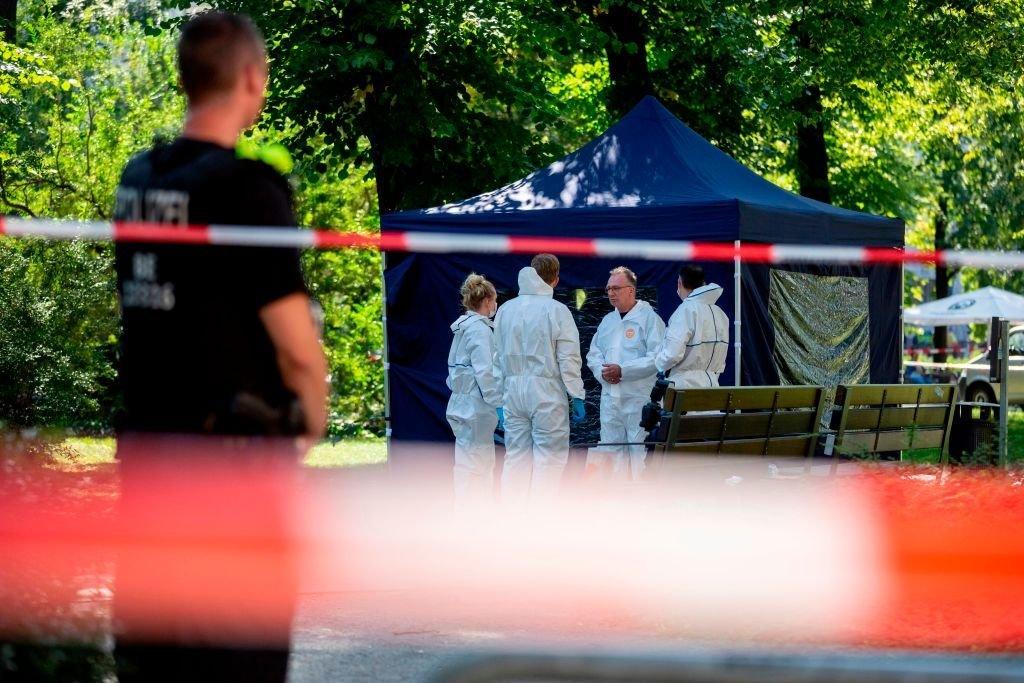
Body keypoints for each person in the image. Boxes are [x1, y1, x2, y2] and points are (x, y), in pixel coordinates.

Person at [111, 12, 328, 682]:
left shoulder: (139, 179)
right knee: (236, 661)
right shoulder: (246, 188)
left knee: (154, 659)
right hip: (230, 474)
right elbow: (296, 347)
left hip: (148, 464)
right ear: (251, 78)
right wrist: (312, 419)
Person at [494, 254, 585, 499]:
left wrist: (497, 402)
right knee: (549, 460)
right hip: (546, 393)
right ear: (555, 280)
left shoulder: (505, 310)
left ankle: (512, 520)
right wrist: (576, 394)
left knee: (515, 459)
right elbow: (569, 359)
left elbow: (496, 358)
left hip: (512, 393)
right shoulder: (557, 311)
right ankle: (540, 521)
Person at [586, 267, 665, 480]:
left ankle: (642, 503)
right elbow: (593, 354)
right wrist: (602, 373)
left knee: (641, 455)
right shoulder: (607, 322)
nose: (611, 293)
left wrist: (624, 371)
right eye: (608, 288)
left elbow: (657, 357)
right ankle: (613, 505)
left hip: (639, 400)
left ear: (631, 290)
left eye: (616, 288)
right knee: (610, 453)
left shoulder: (649, 319)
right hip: (610, 399)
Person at [446, 273, 502, 503]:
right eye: (495, 300)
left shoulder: (462, 328)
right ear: (488, 300)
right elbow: (485, 372)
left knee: (465, 463)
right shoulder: (479, 330)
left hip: (460, 403)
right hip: (476, 407)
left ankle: (465, 515)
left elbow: (454, 371)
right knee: (479, 465)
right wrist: (498, 404)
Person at [655, 264, 729, 387]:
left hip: (683, 386)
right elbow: (722, 360)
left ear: (679, 282)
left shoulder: (685, 310)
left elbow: (672, 354)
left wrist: (659, 363)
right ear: (704, 283)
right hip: (713, 386)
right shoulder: (720, 313)